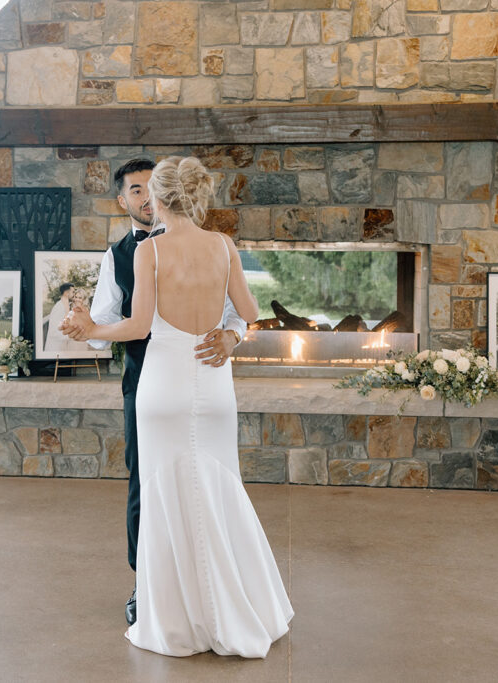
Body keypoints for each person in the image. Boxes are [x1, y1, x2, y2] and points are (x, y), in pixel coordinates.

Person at [65, 157, 291, 658]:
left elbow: (139, 327)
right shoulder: (223, 246)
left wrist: (91, 330)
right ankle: (237, 608)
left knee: (163, 492)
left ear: (162, 199)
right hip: (212, 386)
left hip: (162, 384)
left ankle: (173, 614)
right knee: (217, 485)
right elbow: (251, 312)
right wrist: (229, 328)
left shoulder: (150, 252)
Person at [44, 283, 75, 352]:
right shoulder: (59, 307)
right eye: (73, 292)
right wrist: (69, 336)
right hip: (55, 348)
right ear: (67, 293)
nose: (74, 294)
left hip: (62, 345)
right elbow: (54, 330)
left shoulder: (65, 305)